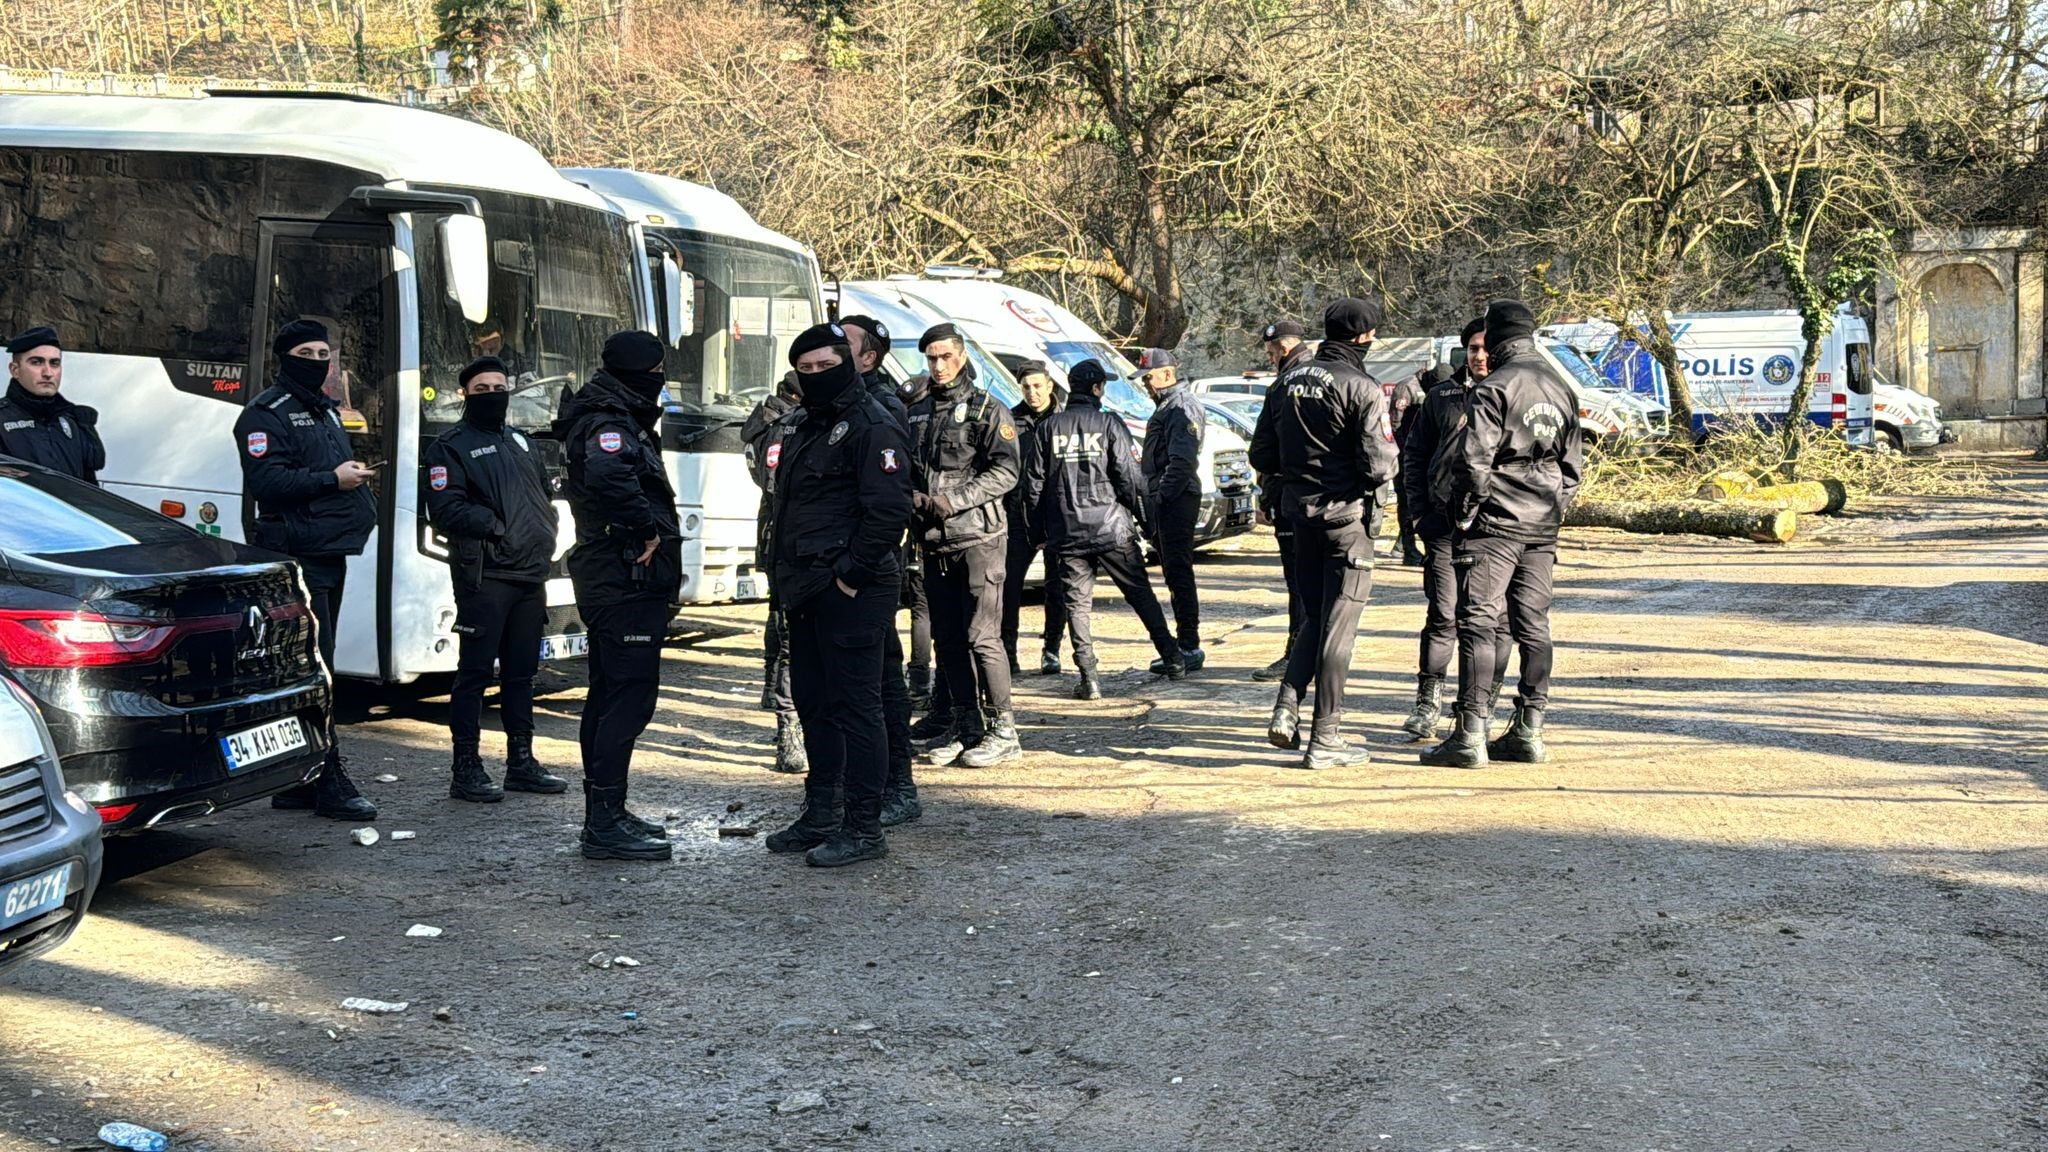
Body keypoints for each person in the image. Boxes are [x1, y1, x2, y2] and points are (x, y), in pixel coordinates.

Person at [763, 323, 914, 867]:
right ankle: (822, 811)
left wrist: (849, 572)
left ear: (848, 364)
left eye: (827, 367)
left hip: (853, 588)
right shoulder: (805, 423)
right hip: (803, 588)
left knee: (857, 707)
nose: (816, 377)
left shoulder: (872, 424)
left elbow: (890, 510)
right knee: (814, 703)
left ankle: (863, 826)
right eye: (806, 371)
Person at [1424, 300, 1583, 768]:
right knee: (1533, 625)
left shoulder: (1494, 388)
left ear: (1495, 338)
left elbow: (1474, 461)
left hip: (1495, 523)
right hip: (1542, 524)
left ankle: (1470, 734)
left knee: (1478, 620)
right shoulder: (1563, 388)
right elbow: (1572, 469)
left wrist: (1467, 515)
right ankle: (1529, 728)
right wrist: (1551, 508)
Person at [235, 318, 378, 820]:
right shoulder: (264, 414)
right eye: (308, 353)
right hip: (298, 556)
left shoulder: (325, 412)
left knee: (319, 661)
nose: (319, 361)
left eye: (325, 353)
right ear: (287, 357)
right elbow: (269, 481)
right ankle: (326, 774)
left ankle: (299, 778)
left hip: (328, 550)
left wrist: (347, 478)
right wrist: (332, 480)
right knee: (315, 666)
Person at [553, 330, 683, 860]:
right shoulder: (609, 419)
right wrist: (646, 527)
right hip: (622, 575)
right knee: (627, 698)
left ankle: (608, 811)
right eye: (657, 372)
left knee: (610, 695)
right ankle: (603, 823)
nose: (660, 382)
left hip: (615, 573)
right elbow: (611, 475)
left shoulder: (610, 410)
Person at [424, 356, 569, 803]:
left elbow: (542, 495)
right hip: (485, 577)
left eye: (499, 387)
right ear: (464, 394)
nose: (493, 394)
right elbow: (445, 510)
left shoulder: (520, 441)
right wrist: (499, 526)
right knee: (473, 675)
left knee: (522, 675)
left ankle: (520, 763)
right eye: (482, 388)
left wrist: (542, 529)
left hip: (529, 575)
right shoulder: (449, 447)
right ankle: (465, 768)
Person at [1264, 298, 1399, 770]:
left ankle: (1286, 704)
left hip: (1300, 520)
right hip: (1346, 521)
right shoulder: (1362, 387)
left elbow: (1263, 454)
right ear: (1364, 338)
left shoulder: (1285, 382)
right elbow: (1380, 464)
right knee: (1339, 629)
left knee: (1316, 619)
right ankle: (1326, 736)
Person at [1024, 359, 1185, 699]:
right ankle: (1172, 657)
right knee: (1140, 594)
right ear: (1096, 389)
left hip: (1067, 534)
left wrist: (1038, 533)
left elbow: (1033, 487)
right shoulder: (1110, 424)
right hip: (1112, 529)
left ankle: (1089, 677)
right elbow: (1130, 478)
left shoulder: (1048, 428)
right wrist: (1147, 524)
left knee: (1077, 607)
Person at [906, 323, 1023, 769]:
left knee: (981, 637)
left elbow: (1005, 472)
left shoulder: (988, 410)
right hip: (933, 541)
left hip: (979, 536)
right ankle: (967, 726)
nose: (938, 366)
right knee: (948, 638)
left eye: (945, 357)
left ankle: (1003, 729)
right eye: (931, 358)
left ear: (962, 355)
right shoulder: (916, 410)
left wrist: (949, 502)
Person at [838, 313, 920, 827]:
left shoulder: (881, 408)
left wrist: (856, 567)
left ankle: (897, 785)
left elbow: (888, 504)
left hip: (867, 567)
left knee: (881, 680)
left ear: (868, 357)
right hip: (825, 566)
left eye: (842, 346)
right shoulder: (823, 406)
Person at [1398, 319, 1488, 741]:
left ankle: (1478, 709)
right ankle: (1427, 702)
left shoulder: (1510, 394)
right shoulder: (1441, 396)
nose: (1479, 356)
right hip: (1441, 525)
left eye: (1486, 348)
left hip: (1494, 529)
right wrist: (1419, 514)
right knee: (1442, 614)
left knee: (1488, 620)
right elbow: (1412, 456)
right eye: (1472, 348)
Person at [742, 371, 808, 775]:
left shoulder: (771, 420)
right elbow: (773, 480)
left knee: (785, 629)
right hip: (783, 537)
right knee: (788, 638)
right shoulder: (781, 424)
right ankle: (788, 730)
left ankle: (780, 699)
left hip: (790, 538)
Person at [1247, 320, 1312, 682]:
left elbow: (1263, 451)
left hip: (1291, 497)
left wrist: (1270, 490)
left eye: (1271, 353)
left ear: (1284, 350)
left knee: (1299, 582)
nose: (1269, 359)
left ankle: (1296, 654)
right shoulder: (1337, 376)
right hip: (1332, 502)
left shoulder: (1284, 385)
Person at [1135, 348, 1206, 672]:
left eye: (1148, 378)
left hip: (1177, 499)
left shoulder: (1180, 408)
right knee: (1174, 573)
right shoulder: (1169, 406)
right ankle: (1185, 644)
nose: (1146, 385)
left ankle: (1189, 646)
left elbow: (1182, 461)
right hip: (1169, 497)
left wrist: (1162, 497)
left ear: (1166, 374)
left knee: (1179, 573)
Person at [1002, 360, 1068, 677]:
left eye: (1038, 385)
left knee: (1057, 588)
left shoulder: (1064, 420)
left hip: (1057, 516)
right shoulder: (1011, 421)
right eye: (1026, 387)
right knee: (1009, 587)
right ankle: (1008, 653)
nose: (1032, 392)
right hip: (1019, 516)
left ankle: (1051, 651)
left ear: (1049, 385)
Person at [0, 327, 104, 484]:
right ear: (15, 370)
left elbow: (91, 488)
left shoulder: (74, 419)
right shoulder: (2, 419)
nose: (48, 372)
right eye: (36, 362)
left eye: (54, 363)